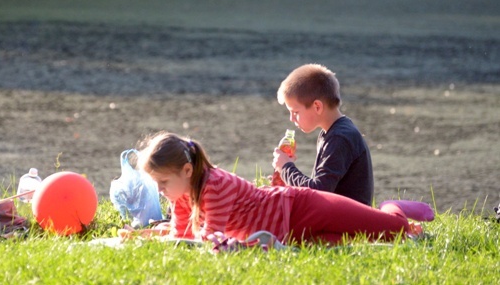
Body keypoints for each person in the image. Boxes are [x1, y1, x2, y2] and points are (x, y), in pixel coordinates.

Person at [138, 131, 434, 246]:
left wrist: (170, 239)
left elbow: (209, 239)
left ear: (187, 170)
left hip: (301, 207)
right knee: (358, 242)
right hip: (288, 233)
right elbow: (183, 237)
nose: (161, 190)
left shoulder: (214, 185)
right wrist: (154, 235)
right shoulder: (182, 194)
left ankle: (393, 208)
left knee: (397, 230)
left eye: (163, 182)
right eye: (157, 185)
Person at [272, 63, 374, 205]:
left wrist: (286, 168)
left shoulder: (340, 138)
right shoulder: (332, 132)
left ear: (317, 107)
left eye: (295, 112)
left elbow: (318, 192)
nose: (291, 118)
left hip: (347, 224)